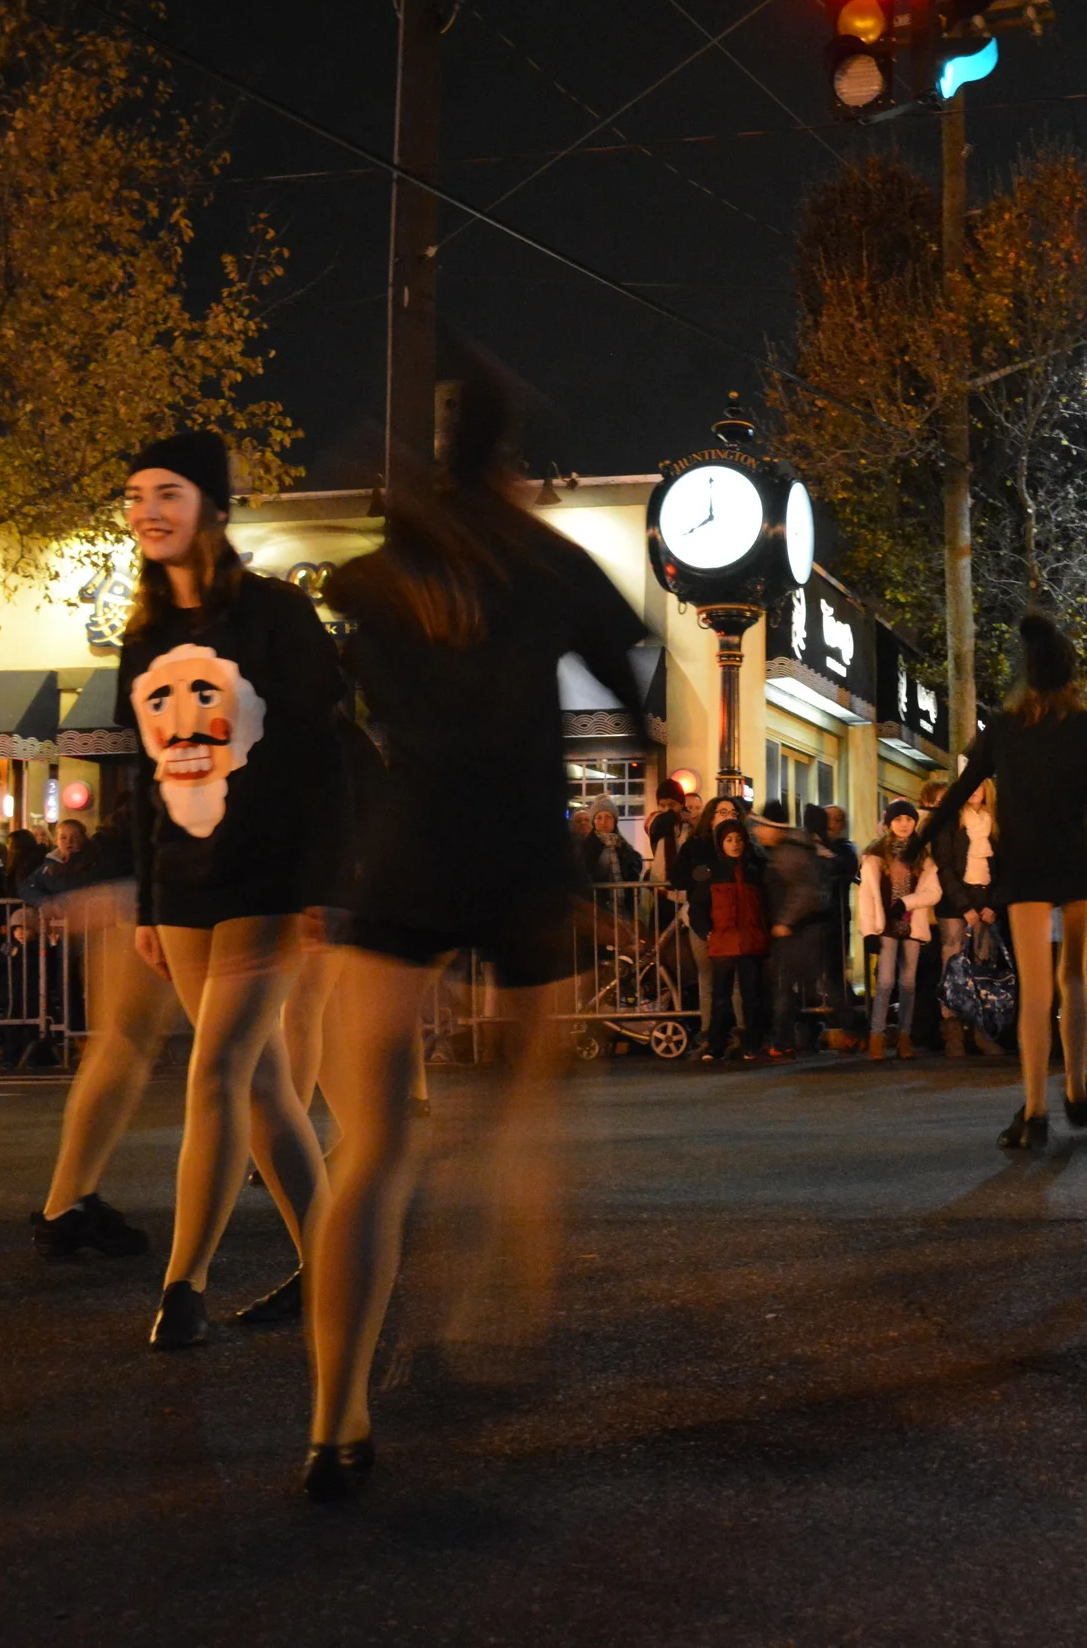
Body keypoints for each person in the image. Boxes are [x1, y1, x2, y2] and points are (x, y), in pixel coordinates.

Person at [303, 366, 649, 1502]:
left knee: (369, 1146)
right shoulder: (546, 559)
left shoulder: (379, 569)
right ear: (512, 464)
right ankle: (501, 1288)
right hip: (521, 857)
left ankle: (336, 1419)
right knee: (528, 1102)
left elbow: (339, 707)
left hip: (403, 853)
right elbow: (628, 681)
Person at [115, 430, 340, 1350]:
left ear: (210, 504)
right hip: (183, 886)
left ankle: (184, 1285)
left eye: (167, 492)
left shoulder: (275, 614)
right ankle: (336, 1262)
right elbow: (143, 778)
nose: (147, 511)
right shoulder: (142, 636)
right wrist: (145, 904)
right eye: (134, 496)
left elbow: (324, 748)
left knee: (216, 1070)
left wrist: (321, 880)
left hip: (268, 879)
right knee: (264, 1087)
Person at [915, 614, 1087, 1147]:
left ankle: (1035, 1111)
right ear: (1070, 674)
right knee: (1074, 978)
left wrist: (917, 841)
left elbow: (958, 792)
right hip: (1077, 859)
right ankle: (1076, 1090)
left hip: (1026, 864)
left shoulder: (1003, 730)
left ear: (1025, 674)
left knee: (1035, 986)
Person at [28, 808, 181, 1261]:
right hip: (172, 878)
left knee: (124, 1045)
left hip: (159, 874)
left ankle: (67, 1206)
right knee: (240, 1062)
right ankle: (325, 1242)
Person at [858, 800, 941, 1057]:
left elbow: (934, 892)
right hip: (885, 926)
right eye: (898, 819)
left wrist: (907, 902)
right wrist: (868, 932)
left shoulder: (922, 856)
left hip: (911, 925)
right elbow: (866, 896)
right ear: (888, 823)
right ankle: (876, 1036)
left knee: (907, 983)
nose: (904, 824)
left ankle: (905, 1037)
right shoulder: (875, 854)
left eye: (909, 819)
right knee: (885, 981)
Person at [925, 772, 1000, 1057]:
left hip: (986, 903)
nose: (974, 790)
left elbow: (1003, 866)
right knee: (953, 968)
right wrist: (964, 906)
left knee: (983, 968)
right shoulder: (950, 820)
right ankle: (953, 1033)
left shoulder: (996, 823)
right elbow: (944, 866)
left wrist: (992, 904)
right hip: (955, 904)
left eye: (979, 784)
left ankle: (981, 1032)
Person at [687, 819, 769, 1061]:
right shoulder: (712, 874)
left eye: (739, 840)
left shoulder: (753, 872)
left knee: (752, 997)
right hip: (724, 941)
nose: (735, 845)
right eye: (729, 840)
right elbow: (698, 908)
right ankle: (716, 1045)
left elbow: (765, 907)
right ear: (721, 843)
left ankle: (751, 1044)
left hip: (750, 942)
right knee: (721, 998)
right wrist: (707, 933)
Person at [754, 800, 827, 1059]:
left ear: (775, 828)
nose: (757, 831)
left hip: (796, 931)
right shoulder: (788, 849)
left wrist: (785, 921)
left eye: (762, 826)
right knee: (796, 986)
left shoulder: (787, 853)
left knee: (785, 986)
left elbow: (804, 891)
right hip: (799, 929)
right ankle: (797, 1038)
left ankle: (783, 1040)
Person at [820, 805, 864, 1042]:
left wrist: (825, 854)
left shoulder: (845, 847)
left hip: (836, 916)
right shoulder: (814, 846)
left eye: (836, 819)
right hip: (818, 916)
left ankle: (849, 1022)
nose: (830, 824)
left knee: (834, 968)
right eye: (826, 819)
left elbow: (845, 865)